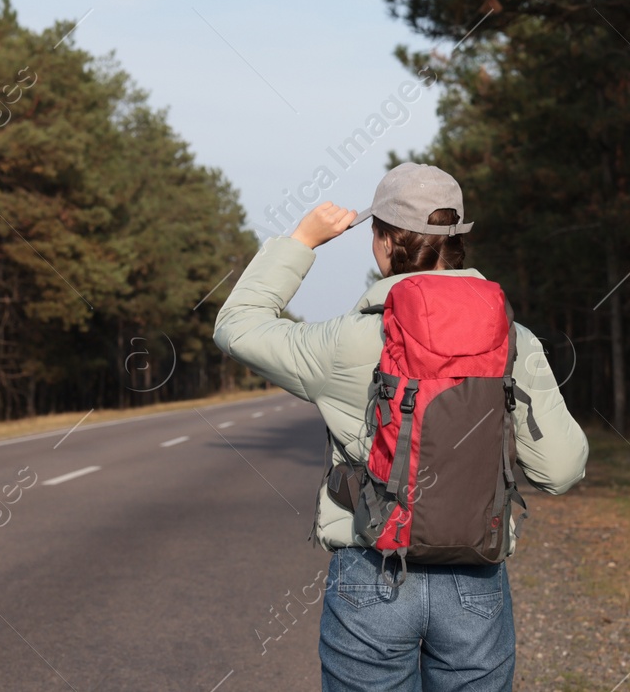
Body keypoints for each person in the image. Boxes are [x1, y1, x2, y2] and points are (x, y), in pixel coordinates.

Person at [214, 162, 589, 691]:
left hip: (373, 571)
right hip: (475, 579)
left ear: (385, 239)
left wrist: (303, 240)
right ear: (458, 238)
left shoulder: (348, 342)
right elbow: (562, 469)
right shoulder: (514, 339)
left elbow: (237, 325)